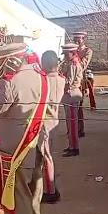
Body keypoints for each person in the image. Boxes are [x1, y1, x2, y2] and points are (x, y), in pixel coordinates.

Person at [0, 42, 50, 214]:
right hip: (35, 142)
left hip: (15, 146)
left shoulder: (11, 81)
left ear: (9, 60)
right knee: (32, 193)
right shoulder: (40, 76)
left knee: (15, 195)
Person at [40, 50, 65, 204]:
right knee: (47, 155)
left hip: (45, 121)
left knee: (46, 157)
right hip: (54, 119)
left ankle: (50, 190)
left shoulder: (44, 80)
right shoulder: (61, 79)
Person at [59, 42, 83, 157]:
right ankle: (71, 145)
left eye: (66, 54)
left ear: (72, 53)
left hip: (72, 94)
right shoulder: (69, 62)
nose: (64, 56)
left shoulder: (74, 64)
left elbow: (69, 82)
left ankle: (75, 148)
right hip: (69, 95)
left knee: (72, 123)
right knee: (69, 122)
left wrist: (60, 77)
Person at [73, 32, 94, 136]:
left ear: (83, 39)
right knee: (71, 106)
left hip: (81, 81)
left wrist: (74, 58)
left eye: (79, 38)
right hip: (71, 81)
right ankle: (73, 128)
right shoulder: (72, 50)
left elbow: (83, 65)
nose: (76, 40)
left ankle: (80, 129)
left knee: (78, 106)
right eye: (75, 38)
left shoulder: (88, 51)